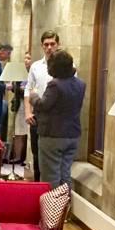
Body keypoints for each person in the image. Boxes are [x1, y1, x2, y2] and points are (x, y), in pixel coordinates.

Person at [31, 49, 86, 190]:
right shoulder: (81, 84)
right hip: (72, 134)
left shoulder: (55, 85)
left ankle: (51, 204)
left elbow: (43, 105)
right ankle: (64, 203)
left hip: (53, 135)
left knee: (50, 177)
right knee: (65, 174)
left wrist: (34, 97)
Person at [25, 30, 59, 182]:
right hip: (37, 115)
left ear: (58, 44)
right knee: (37, 154)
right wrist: (28, 112)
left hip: (56, 116)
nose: (49, 47)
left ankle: (52, 191)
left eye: (52, 44)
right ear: (42, 46)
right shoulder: (36, 66)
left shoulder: (67, 66)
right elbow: (28, 89)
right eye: (46, 44)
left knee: (53, 157)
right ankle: (38, 188)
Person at [11, 53, 32, 166]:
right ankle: (17, 157)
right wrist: (19, 88)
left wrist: (25, 90)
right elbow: (14, 88)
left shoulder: (34, 72)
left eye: (29, 58)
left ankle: (27, 158)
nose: (26, 60)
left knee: (28, 132)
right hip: (20, 104)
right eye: (25, 58)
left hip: (31, 104)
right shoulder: (19, 72)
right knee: (18, 131)